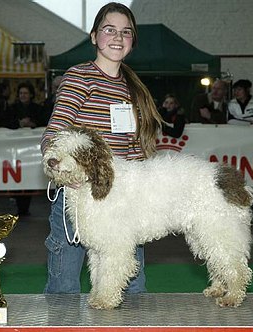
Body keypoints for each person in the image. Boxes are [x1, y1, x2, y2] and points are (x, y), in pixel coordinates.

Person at [40, 2, 163, 294]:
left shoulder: (133, 88)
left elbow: (135, 149)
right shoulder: (79, 77)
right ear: (94, 36)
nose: (117, 37)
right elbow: (55, 132)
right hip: (76, 196)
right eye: (109, 30)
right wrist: (57, 162)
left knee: (131, 286)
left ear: (133, 42)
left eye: (126, 32)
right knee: (64, 284)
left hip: (122, 200)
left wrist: (147, 190)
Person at [6, 81, 46, 216]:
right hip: (15, 150)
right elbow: (5, 123)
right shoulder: (11, 109)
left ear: (31, 95)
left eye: (25, 93)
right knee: (17, 175)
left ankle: (25, 207)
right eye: (21, 93)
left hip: (31, 151)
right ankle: (19, 205)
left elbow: (43, 122)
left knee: (27, 174)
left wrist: (33, 124)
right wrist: (19, 123)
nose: (23, 95)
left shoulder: (38, 108)